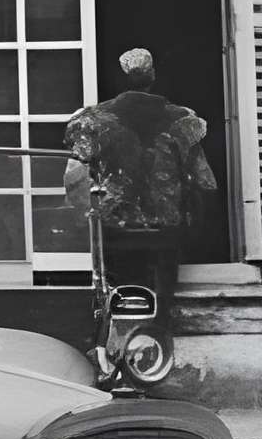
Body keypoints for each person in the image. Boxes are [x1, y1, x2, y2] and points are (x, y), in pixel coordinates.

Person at [62, 47, 219, 319]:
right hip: (166, 227)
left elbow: (74, 179)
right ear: (153, 76)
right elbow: (204, 181)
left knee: (118, 298)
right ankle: (159, 328)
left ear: (119, 78)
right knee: (162, 299)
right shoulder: (182, 119)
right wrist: (195, 222)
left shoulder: (92, 120)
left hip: (114, 226)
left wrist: (84, 217)